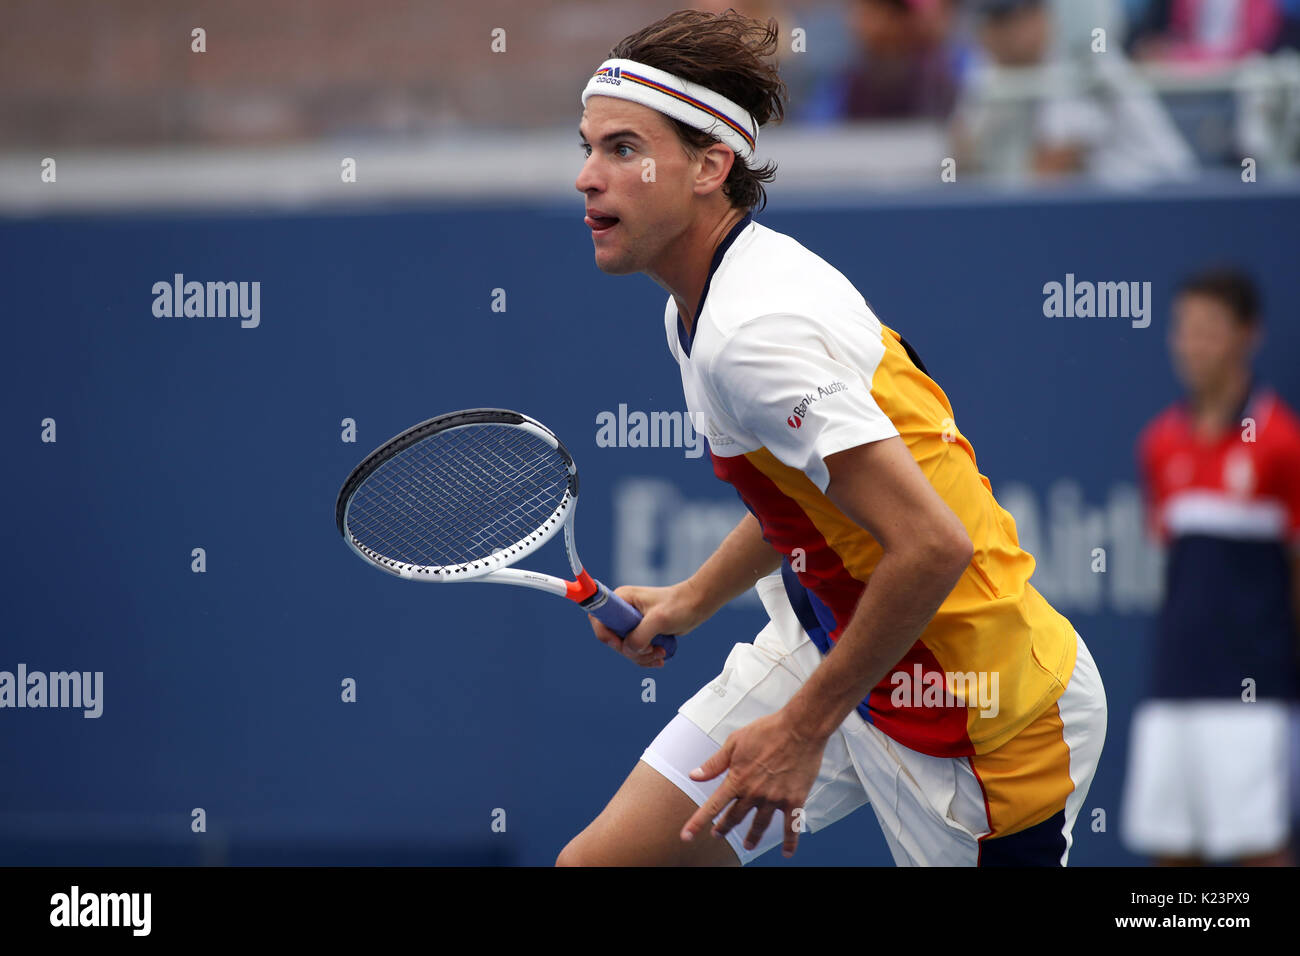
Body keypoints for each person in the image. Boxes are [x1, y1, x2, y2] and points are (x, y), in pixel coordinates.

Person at [560, 9, 1107, 867]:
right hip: (836, 644)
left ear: (711, 167)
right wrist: (693, 598)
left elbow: (932, 545)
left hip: (978, 708)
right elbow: (806, 499)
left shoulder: (753, 331)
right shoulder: (703, 304)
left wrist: (800, 730)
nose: (589, 177)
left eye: (623, 149)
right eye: (588, 147)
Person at [1121, 268, 1300, 866]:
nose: (1192, 344)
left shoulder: (1282, 443)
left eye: (1209, 330)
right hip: (1174, 687)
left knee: (1259, 852)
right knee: (1171, 857)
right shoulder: (1158, 443)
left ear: (1248, 335)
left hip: (1252, 694)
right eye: (1184, 329)